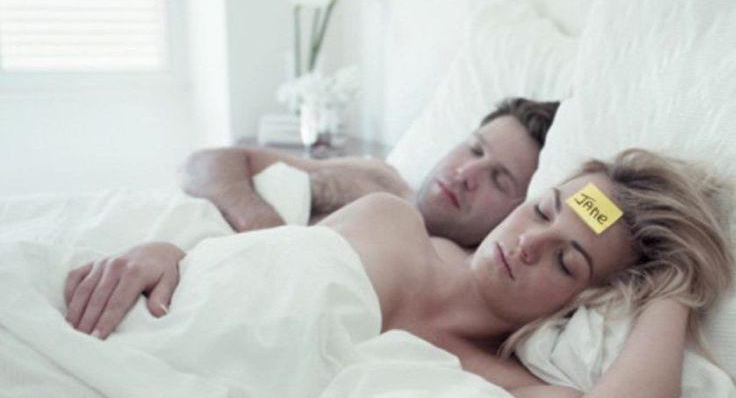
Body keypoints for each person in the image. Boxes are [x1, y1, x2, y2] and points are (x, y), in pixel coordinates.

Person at [63, 149, 733, 398]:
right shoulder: (391, 215)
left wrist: (676, 283)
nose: (529, 243)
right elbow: (256, 259)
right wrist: (173, 249)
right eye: (543, 210)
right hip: (127, 327)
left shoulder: (496, 379)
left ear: (582, 304)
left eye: (566, 261)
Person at [181, 97, 559, 247]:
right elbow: (206, 163)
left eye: (499, 179)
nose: (467, 173)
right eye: (475, 149)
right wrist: (258, 223)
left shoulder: (448, 274)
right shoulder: (376, 176)